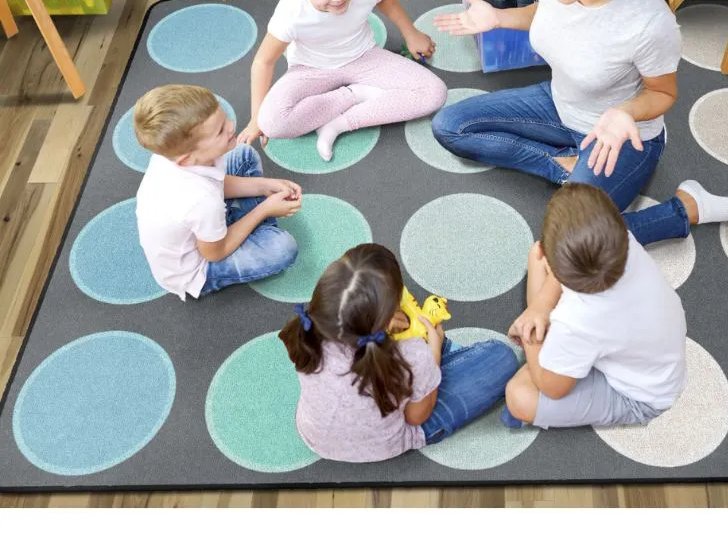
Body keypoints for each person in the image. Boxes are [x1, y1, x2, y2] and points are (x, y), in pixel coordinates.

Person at [432, 0, 728, 245]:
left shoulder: (648, 21)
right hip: (559, 104)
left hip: (620, 136)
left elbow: (663, 94)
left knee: (571, 241)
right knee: (450, 126)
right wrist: (499, 18)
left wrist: (625, 114)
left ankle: (687, 207)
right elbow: (549, 14)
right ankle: (564, 165)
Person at [279, 243, 519, 462]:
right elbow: (417, 416)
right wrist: (433, 350)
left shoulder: (307, 333)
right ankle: (442, 356)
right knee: (501, 356)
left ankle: (440, 361)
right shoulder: (413, 353)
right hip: (391, 441)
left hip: (315, 436)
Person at [237, 0, 448, 161]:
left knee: (434, 92)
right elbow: (263, 62)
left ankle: (339, 123)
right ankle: (352, 95)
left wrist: (411, 34)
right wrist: (256, 118)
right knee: (273, 124)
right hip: (310, 69)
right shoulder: (291, 12)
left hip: (365, 57)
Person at [503, 183, 687, 430]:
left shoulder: (577, 322)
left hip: (640, 395)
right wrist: (541, 306)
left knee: (519, 396)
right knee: (537, 256)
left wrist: (530, 337)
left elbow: (552, 388)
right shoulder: (623, 241)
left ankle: (547, 343)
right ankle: (558, 346)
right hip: (647, 353)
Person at [134, 84, 301, 301]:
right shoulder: (200, 200)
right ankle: (254, 228)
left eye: (225, 118)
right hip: (201, 268)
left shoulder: (172, 157)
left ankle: (246, 227)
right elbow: (215, 253)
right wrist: (264, 209)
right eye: (221, 130)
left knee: (243, 154)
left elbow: (215, 183)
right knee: (282, 249)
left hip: (205, 220)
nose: (231, 126)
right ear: (188, 158)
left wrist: (263, 185)